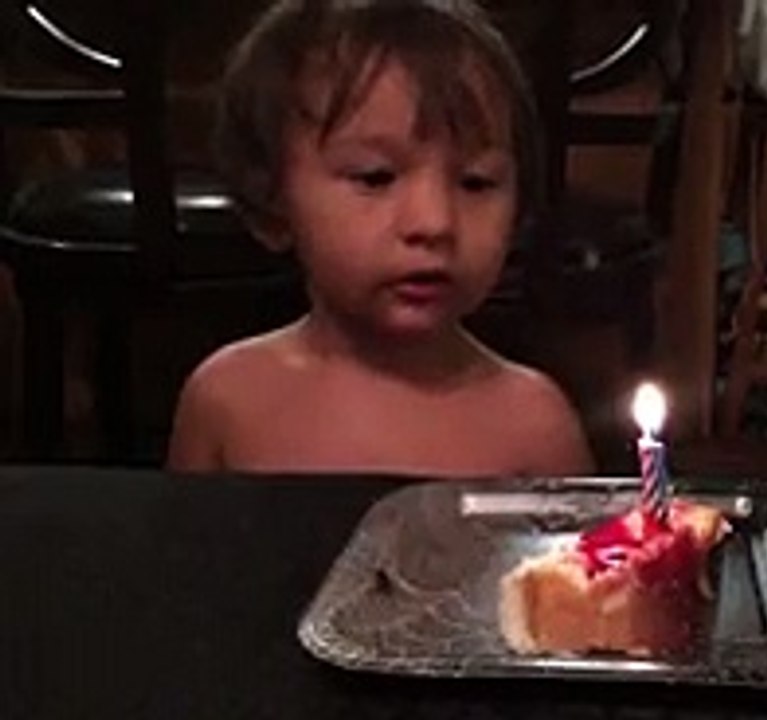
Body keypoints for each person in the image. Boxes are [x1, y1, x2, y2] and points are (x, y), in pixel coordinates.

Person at [167, 0, 594, 476]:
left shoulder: (535, 424)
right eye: (375, 177)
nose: (435, 223)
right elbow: (186, 550)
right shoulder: (227, 400)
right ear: (271, 197)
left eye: (476, 182)